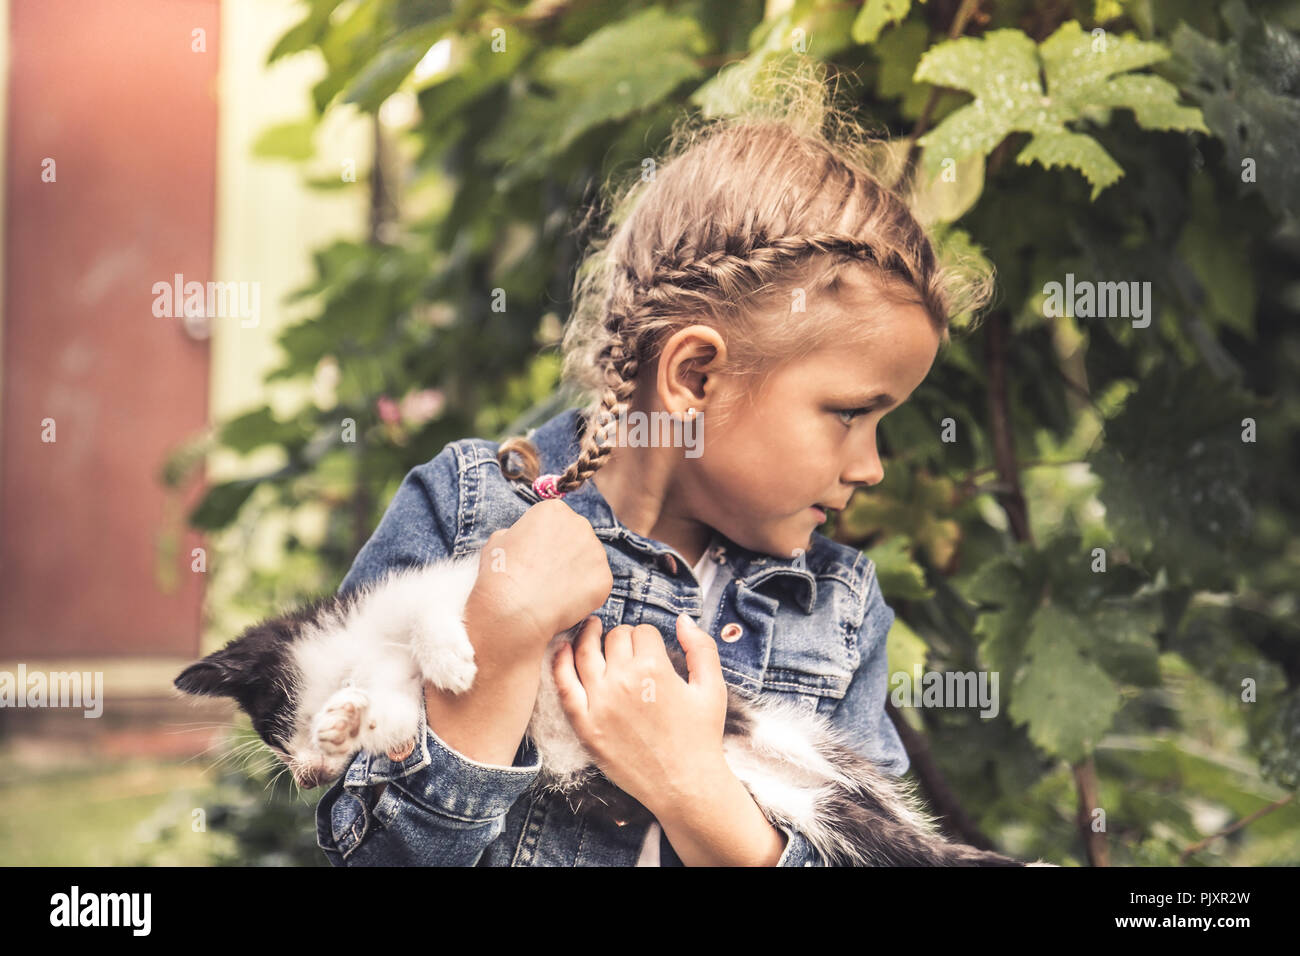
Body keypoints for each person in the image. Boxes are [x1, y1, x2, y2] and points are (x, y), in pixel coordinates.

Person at [314, 85, 989, 867]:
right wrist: (495, 648)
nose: (871, 467)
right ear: (695, 375)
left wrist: (691, 788)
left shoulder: (837, 606)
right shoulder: (465, 514)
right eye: (848, 414)